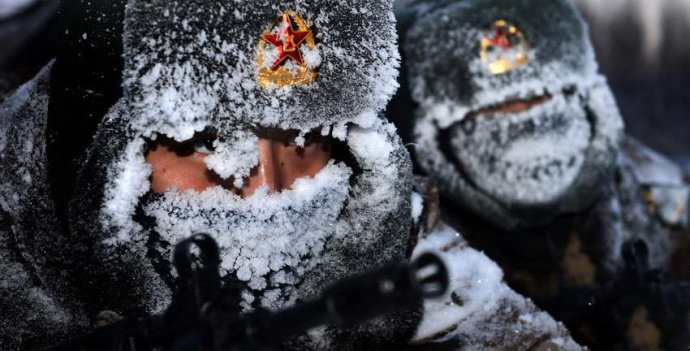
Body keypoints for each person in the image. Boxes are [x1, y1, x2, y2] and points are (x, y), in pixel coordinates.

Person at [1, 0, 582, 349]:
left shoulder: (407, 263)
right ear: (92, 156)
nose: (269, 193)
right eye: (204, 145)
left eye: (311, 144)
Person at [391, 0, 690, 349]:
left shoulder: (662, 200)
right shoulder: (398, 239)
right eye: (493, 110)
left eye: (541, 97)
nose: (527, 124)